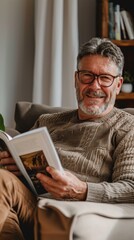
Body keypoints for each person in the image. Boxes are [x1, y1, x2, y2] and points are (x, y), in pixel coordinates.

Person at [0, 37, 134, 239]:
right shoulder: (47, 121)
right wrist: (16, 165)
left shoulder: (127, 127)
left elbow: (130, 187)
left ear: (118, 84)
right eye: (87, 75)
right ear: (76, 79)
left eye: (105, 78)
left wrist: (81, 190)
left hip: (71, 211)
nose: (94, 86)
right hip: (30, 203)